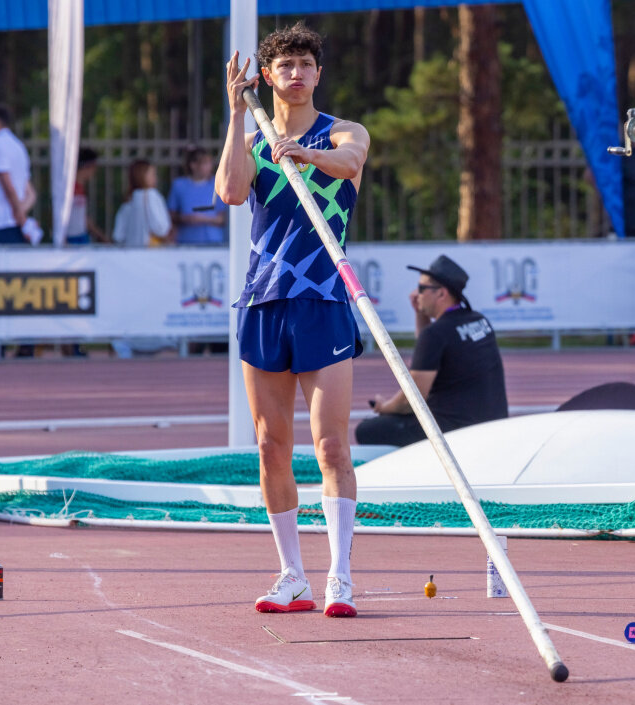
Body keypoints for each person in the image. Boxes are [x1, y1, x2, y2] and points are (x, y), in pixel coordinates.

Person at [216, 21, 370, 618]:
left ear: (318, 74)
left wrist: (305, 154)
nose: (297, 74)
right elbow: (231, 192)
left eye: (306, 64)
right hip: (262, 302)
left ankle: (340, 577)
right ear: (269, 77)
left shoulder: (343, 132)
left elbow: (349, 162)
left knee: (331, 444)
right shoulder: (252, 137)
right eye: (285, 67)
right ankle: (292, 575)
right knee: (269, 445)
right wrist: (235, 115)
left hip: (324, 301)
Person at [355, 255, 508, 447]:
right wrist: (420, 314)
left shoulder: (436, 334)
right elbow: (428, 354)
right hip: (492, 423)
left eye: (421, 289)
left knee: (367, 430)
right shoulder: (479, 320)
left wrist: (384, 407)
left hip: (455, 429)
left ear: (441, 294)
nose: (415, 294)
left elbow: (411, 400)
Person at [0, 104, 32, 245]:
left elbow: (7, 184)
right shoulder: (18, 146)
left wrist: (17, 212)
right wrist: (22, 214)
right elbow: (31, 193)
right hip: (16, 223)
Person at [168, 146, 228, 245]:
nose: (209, 166)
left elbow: (224, 218)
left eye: (210, 163)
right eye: (205, 163)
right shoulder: (179, 185)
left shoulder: (217, 184)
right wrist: (184, 219)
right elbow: (171, 215)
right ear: (193, 165)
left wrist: (203, 219)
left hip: (214, 242)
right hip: (185, 242)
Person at [112, 159, 172, 247]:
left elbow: (118, 235)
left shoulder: (128, 201)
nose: (155, 178)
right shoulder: (151, 195)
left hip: (130, 251)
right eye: (152, 174)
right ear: (142, 176)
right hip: (150, 251)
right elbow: (160, 228)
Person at [66, 148, 106, 245]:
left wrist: (100, 236)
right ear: (87, 166)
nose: (95, 171)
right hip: (70, 238)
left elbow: (81, 217)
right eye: (93, 167)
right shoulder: (69, 188)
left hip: (81, 236)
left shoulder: (81, 188)